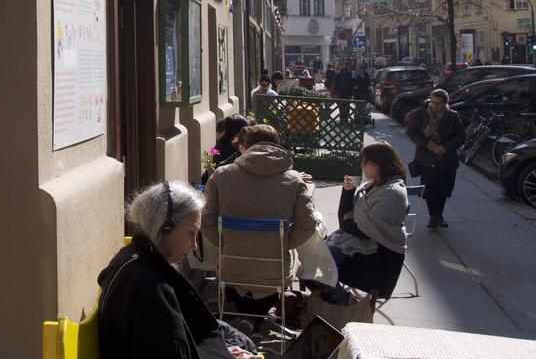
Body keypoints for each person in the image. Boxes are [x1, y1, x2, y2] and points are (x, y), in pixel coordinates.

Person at [97, 182, 257, 359]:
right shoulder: (152, 289)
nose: (195, 245)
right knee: (243, 344)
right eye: (191, 233)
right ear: (164, 227)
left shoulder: (133, 256)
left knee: (234, 338)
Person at [201, 125, 317, 317]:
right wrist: (284, 244)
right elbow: (307, 224)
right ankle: (257, 320)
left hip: (232, 266)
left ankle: (248, 319)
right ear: (277, 145)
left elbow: (205, 219)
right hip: (274, 270)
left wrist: (224, 242)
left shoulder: (221, 175)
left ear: (245, 146)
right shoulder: (294, 180)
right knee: (296, 256)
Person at [324, 142, 409, 299]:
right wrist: (348, 191)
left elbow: (360, 229)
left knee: (320, 262)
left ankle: (342, 302)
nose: (363, 165)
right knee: (313, 254)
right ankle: (332, 299)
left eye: (367, 162)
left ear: (381, 164)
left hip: (377, 259)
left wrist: (351, 218)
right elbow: (345, 220)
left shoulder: (392, 193)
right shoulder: (372, 186)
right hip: (360, 247)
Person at [406, 89, 466, 229]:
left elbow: (461, 137)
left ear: (445, 103)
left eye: (438, 104)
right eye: (432, 102)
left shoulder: (452, 116)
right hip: (427, 159)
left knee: (443, 189)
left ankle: (439, 214)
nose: (434, 106)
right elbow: (411, 132)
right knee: (430, 190)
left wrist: (446, 148)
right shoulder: (421, 114)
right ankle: (433, 216)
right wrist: (427, 143)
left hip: (446, 159)